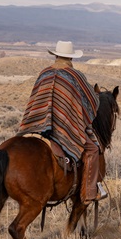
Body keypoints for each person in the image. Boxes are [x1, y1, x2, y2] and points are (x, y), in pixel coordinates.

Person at [17, 41, 107, 203]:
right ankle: (89, 193)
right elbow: (92, 101)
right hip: (64, 128)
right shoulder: (75, 76)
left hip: (37, 123)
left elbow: (35, 97)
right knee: (93, 149)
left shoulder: (44, 73)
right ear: (71, 57)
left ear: (56, 55)